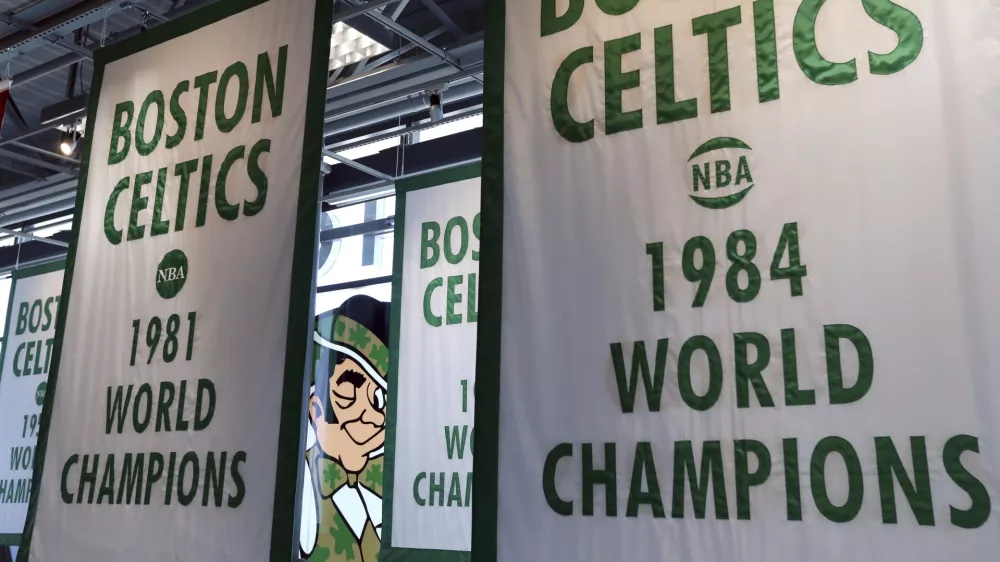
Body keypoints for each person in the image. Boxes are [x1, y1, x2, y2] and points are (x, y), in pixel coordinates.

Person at [301, 295, 390, 562]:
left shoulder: (394, 480)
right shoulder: (300, 485)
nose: (372, 415)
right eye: (349, 393)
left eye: (378, 399)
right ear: (316, 409)